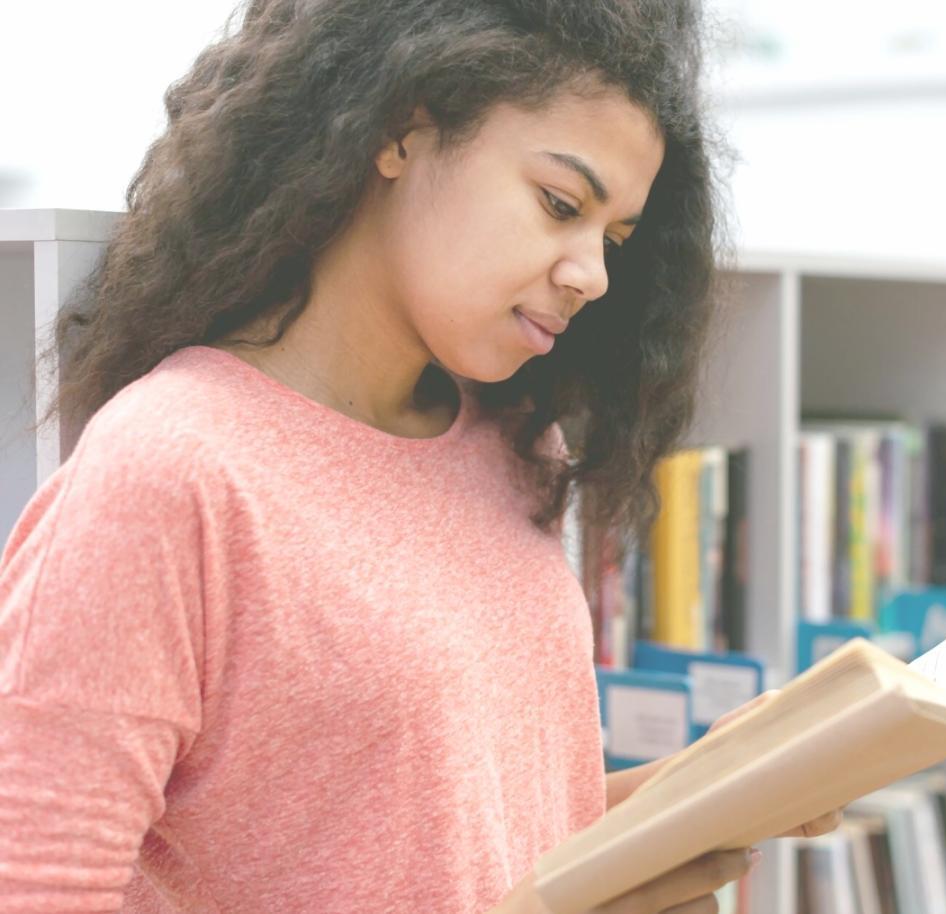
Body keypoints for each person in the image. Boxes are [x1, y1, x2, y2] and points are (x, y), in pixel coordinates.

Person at [0, 1, 839, 911]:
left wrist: (711, 786)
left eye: (612, 239)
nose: (591, 274)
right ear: (403, 130)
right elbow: (39, 883)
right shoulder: (173, 467)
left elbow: (460, 842)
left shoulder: (511, 448)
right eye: (561, 204)